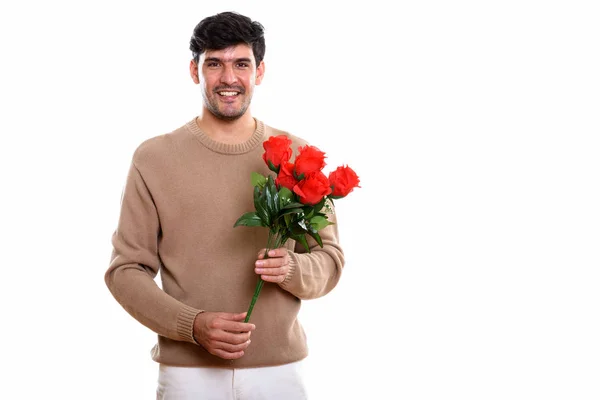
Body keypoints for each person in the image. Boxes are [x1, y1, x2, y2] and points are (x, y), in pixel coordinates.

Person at [105, 11, 345, 399]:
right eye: (214, 63)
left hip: (279, 373)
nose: (229, 78)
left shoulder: (299, 156)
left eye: (241, 64)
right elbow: (126, 270)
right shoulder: (153, 159)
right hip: (188, 375)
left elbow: (330, 260)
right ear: (194, 70)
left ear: (260, 71)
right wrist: (192, 325)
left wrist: (292, 267)